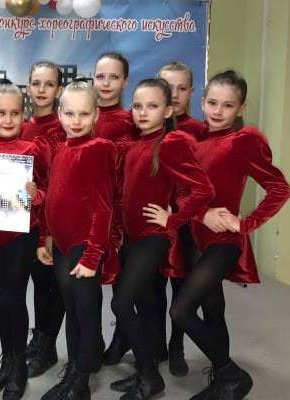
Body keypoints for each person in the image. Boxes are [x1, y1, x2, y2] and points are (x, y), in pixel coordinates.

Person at [170, 70, 290, 400]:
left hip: (223, 241)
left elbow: (279, 188)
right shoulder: (191, 141)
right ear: (202, 102)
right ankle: (223, 383)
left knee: (180, 310)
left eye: (227, 105)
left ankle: (230, 374)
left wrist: (247, 223)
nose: (218, 111)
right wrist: (202, 214)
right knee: (213, 310)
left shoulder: (243, 141)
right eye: (212, 103)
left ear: (241, 108)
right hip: (195, 235)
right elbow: (181, 193)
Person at [110, 78, 214, 400]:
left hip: (153, 238)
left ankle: (150, 377)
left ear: (168, 110)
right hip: (131, 237)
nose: (142, 112)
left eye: (152, 106)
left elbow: (202, 190)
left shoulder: (170, 143)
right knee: (144, 305)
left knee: (120, 302)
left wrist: (174, 219)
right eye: (137, 106)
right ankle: (146, 369)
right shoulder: (134, 145)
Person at [38, 80, 116, 400]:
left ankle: (81, 381)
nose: (76, 120)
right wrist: (45, 236)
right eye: (70, 113)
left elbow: (103, 208)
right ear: (59, 113)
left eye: (84, 113)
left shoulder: (96, 149)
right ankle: (73, 371)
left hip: (84, 246)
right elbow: (54, 198)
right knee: (71, 309)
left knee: (85, 312)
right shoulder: (62, 149)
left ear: (96, 114)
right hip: (62, 245)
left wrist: (92, 255)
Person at [0, 83, 48, 399]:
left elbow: (48, 193)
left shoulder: (32, 150)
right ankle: (9, 362)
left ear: (24, 114)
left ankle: (19, 369)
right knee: (1, 299)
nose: (7, 119)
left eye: (14, 113)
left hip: (22, 234)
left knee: (13, 298)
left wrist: (36, 194)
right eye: (1, 113)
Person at [154, 61, 206, 376]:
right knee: (151, 289)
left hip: (187, 224)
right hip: (152, 222)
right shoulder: (148, 126)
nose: (173, 94)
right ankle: (156, 345)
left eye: (181, 88)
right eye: (167, 87)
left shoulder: (200, 131)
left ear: (191, 92)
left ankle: (177, 346)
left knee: (182, 287)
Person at [21, 61, 66, 379]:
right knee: (39, 284)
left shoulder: (63, 129)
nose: (41, 89)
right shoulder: (23, 127)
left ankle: (48, 347)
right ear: (28, 87)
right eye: (36, 83)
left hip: (54, 221)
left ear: (59, 90)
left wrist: (48, 231)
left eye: (49, 84)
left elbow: (59, 184)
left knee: (55, 287)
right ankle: (39, 339)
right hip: (26, 219)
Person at [92, 52, 138, 365]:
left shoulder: (132, 120)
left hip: (124, 213)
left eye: (114, 77)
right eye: (100, 76)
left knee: (124, 287)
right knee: (88, 285)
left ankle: (124, 338)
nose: (106, 83)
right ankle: (91, 343)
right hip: (90, 213)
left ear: (125, 81)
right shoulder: (84, 115)